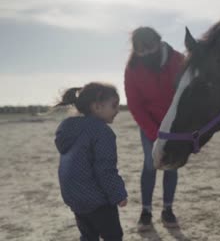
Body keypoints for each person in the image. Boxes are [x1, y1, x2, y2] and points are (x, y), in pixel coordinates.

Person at [124, 26, 185, 230]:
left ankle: (168, 211)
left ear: (158, 43)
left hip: (176, 124)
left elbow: (185, 94)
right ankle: (146, 211)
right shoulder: (132, 68)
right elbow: (134, 104)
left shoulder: (178, 60)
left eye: (150, 49)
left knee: (172, 164)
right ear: (136, 50)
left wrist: (178, 125)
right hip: (149, 124)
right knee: (151, 165)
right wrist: (153, 133)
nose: (147, 54)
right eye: (142, 51)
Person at [54, 82, 128, 241]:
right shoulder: (102, 132)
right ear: (97, 107)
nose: (117, 110)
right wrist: (118, 194)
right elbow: (105, 169)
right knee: (113, 236)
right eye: (114, 105)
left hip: (75, 198)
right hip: (98, 201)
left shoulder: (70, 128)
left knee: (88, 236)